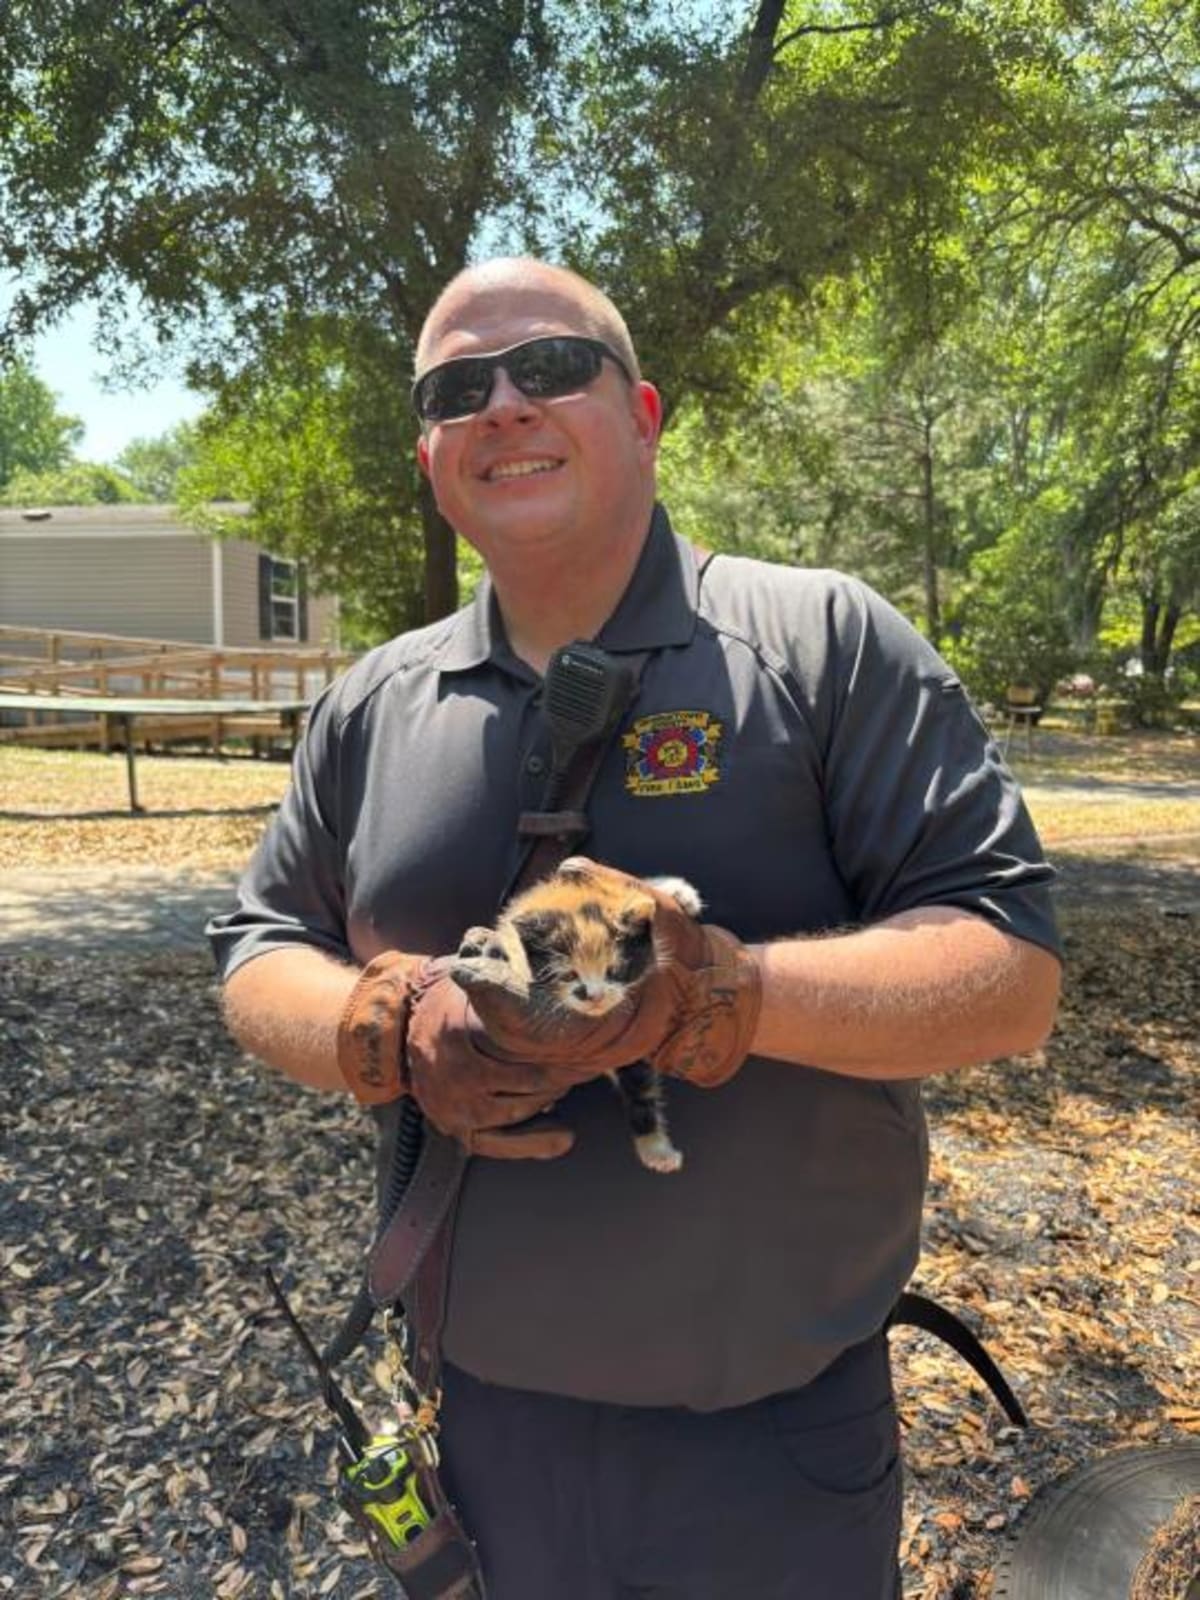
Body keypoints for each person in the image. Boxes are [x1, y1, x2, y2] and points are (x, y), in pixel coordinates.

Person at [208, 256, 1062, 1599]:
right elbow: (257, 953)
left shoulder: (826, 641)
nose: (503, 405)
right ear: (431, 458)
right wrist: (384, 1027)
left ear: (646, 411)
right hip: (480, 1435)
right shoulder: (371, 704)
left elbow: (1011, 974)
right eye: (456, 389)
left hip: (778, 1449)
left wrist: (728, 995)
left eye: (548, 368)